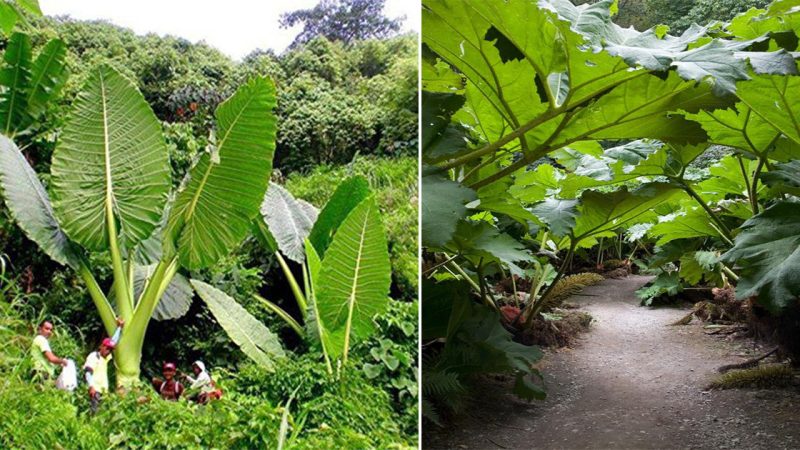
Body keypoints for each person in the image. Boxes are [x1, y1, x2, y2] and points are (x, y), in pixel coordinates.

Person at [83, 317, 124, 413]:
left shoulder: (105, 359)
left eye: (110, 349)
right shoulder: (94, 356)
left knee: (101, 414)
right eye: (107, 348)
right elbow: (88, 372)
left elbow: (113, 341)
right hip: (95, 390)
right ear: (101, 346)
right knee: (94, 412)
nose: (108, 351)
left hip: (103, 392)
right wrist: (91, 386)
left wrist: (119, 328)